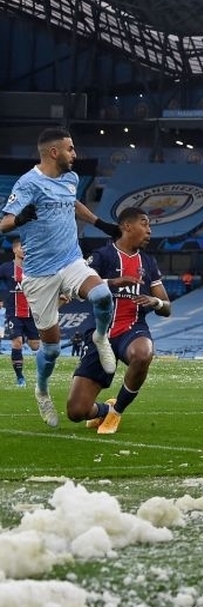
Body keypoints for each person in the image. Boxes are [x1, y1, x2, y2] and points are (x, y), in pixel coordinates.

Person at [0, 127, 123, 428]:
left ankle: (101, 336)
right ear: (54, 152)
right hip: (40, 274)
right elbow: (4, 223)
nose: (75, 154)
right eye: (70, 149)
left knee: (102, 295)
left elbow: (72, 203)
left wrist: (100, 223)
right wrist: (19, 219)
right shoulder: (28, 183)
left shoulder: (71, 178)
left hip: (70, 260)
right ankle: (42, 391)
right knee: (52, 350)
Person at [65, 207, 171, 434]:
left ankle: (116, 412)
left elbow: (167, 307)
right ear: (127, 226)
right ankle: (104, 410)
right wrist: (113, 282)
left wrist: (156, 302)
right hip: (100, 334)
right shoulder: (102, 256)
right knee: (76, 411)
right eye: (145, 223)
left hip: (132, 329)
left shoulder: (148, 263)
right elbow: (79, 287)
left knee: (143, 353)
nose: (149, 230)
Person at [0, 236, 41, 388]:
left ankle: (41, 373)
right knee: (17, 342)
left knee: (35, 345)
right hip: (13, 312)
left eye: (26, 248)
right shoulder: (6, 267)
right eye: (21, 248)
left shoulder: (35, 267)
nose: (24, 250)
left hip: (32, 312)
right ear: (14, 249)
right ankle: (20, 378)